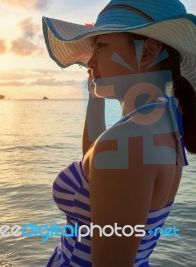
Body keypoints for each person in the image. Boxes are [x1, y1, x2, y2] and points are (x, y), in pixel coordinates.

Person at [42, 0, 196, 266]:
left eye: (100, 45)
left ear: (148, 52)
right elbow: (94, 164)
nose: (90, 61)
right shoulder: (163, 122)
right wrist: (95, 94)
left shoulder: (130, 140)